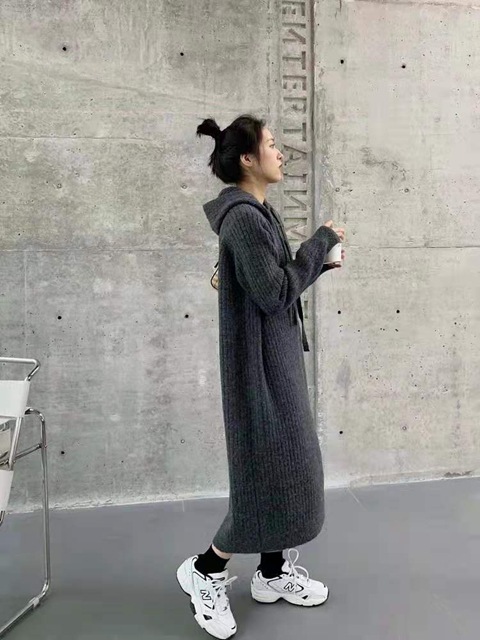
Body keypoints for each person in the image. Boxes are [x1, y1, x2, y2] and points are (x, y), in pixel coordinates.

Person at [176, 114, 346, 639]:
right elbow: (274, 294)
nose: (281, 152)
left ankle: (271, 573)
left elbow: (267, 283)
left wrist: (316, 263)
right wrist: (317, 246)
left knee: (287, 467)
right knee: (266, 472)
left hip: (276, 359)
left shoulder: (258, 213)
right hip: (259, 368)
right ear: (248, 159)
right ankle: (205, 569)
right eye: (272, 144)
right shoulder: (245, 219)